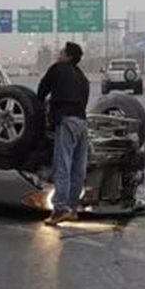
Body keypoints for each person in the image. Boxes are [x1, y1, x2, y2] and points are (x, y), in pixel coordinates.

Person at [37, 42, 90, 226]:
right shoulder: (82, 77)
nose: (58, 54)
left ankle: (59, 209)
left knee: (62, 165)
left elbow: (41, 91)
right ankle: (73, 208)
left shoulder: (57, 69)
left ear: (68, 57)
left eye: (61, 52)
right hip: (82, 123)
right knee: (78, 168)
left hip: (66, 120)